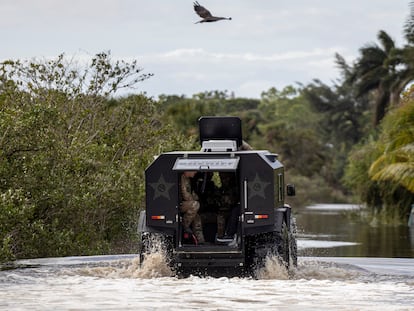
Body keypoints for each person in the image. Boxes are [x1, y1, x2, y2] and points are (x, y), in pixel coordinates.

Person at [180, 171, 205, 244]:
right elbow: (185, 194)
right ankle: (184, 226)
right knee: (195, 205)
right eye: (194, 170)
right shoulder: (182, 178)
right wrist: (193, 200)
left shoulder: (187, 179)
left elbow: (190, 193)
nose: (195, 172)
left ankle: (200, 241)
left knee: (196, 217)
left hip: (186, 203)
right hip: (180, 204)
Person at [216, 172, 239, 243]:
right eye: (221, 177)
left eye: (225, 178)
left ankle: (227, 235)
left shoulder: (235, 188)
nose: (223, 180)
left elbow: (234, 201)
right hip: (224, 210)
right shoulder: (222, 189)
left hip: (233, 209)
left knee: (225, 216)